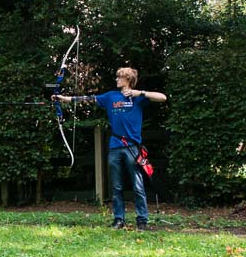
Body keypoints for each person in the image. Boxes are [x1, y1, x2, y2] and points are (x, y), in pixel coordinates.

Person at [57, 67, 167, 229]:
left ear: (128, 79)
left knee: (138, 186)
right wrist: (65, 99)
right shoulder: (110, 97)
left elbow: (162, 98)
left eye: (119, 77)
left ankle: (142, 221)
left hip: (133, 148)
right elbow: (88, 98)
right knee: (116, 186)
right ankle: (119, 220)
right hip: (115, 146)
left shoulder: (137, 97)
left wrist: (140, 93)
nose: (116, 80)